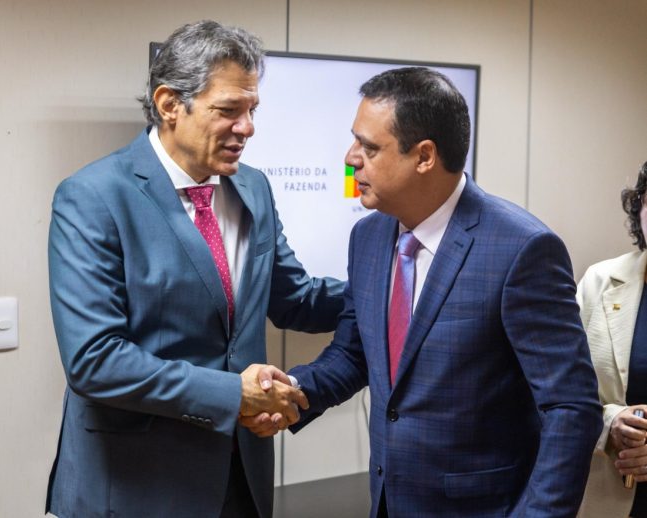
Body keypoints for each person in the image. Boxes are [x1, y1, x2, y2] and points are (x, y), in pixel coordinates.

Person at [244, 67, 602, 517]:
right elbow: (353, 354)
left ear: (425, 156)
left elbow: (570, 407)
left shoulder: (522, 249)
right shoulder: (368, 237)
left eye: (369, 147)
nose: (351, 158)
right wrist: (293, 390)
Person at [45, 20, 344, 518]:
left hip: (240, 476)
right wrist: (231, 395)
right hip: (137, 484)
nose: (247, 127)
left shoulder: (253, 188)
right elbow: (94, 360)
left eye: (252, 110)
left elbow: (295, 299)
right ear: (169, 104)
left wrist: (390, 286)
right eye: (229, 110)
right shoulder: (93, 197)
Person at [577, 162, 647, 518]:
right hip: (606, 495)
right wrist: (610, 423)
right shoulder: (599, 282)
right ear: (640, 208)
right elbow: (559, 389)